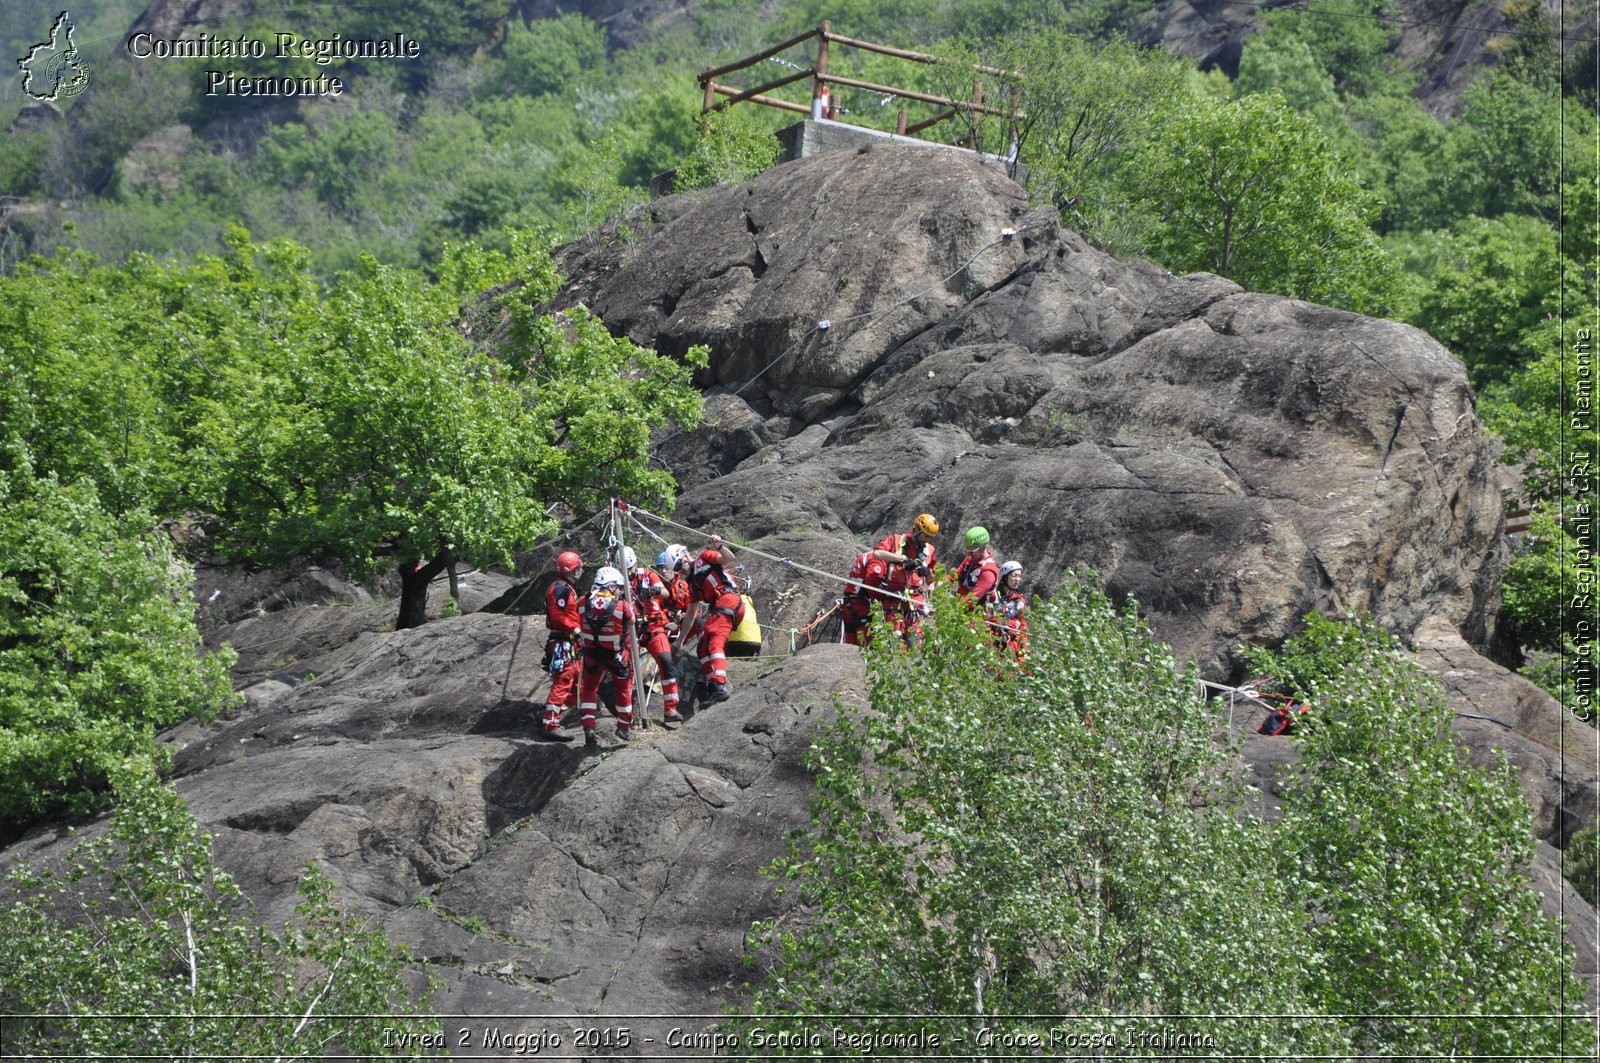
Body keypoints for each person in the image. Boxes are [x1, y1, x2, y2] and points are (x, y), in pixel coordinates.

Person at [577, 566, 637, 746]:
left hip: (592, 655)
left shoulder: (581, 602)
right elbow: (632, 621)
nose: (620, 591)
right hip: (616, 657)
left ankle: (588, 725)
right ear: (610, 587)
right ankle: (624, 727)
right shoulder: (622, 606)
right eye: (618, 587)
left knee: (588, 689)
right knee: (624, 688)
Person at [625, 547, 682, 723]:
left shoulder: (648, 575)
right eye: (624, 570)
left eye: (630, 569)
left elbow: (664, 592)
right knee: (627, 668)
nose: (627, 573)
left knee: (666, 660)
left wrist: (652, 591)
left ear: (635, 564)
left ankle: (670, 709)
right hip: (631, 627)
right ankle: (627, 715)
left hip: (653, 625)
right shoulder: (618, 579)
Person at [688, 534, 743, 704]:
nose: (680, 572)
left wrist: (719, 546)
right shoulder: (692, 584)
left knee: (714, 643)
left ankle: (719, 685)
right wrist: (679, 641)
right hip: (720, 606)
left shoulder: (703, 558)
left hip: (727, 600)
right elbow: (690, 615)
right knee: (702, 647)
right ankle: (713, 684)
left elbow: (729, 558)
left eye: (679, 566)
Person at [537, 550, 585, 742]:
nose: (581, 571)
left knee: (576, 684)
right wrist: (576, 631)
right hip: (563, 642)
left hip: (570, 642)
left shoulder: (565, 588)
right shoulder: (560, 589)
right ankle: (550, 724)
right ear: (572, 569)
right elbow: (558, 617)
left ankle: (550, 716)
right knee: (564, 681)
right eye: (579, 568)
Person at [872, 513, 939, 640]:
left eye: (931, 537)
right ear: (917, 530)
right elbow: (877, 553)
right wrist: (902, 559)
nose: (928, 540)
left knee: (915, 642)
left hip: (915, 601)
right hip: (894, 599)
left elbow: (932, 581)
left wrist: (927, 572)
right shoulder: (896, 540)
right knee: (893, 640)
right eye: (926, 536)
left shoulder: (930, 550)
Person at [840, 548, 892, 647]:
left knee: (850, 644)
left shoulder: (863, 556)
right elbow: (871, 580)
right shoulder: (876, 559)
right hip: (862, 605)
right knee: (864, 644)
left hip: (849, 602)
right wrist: (878, 600)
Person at [951, 526, 1001, 608]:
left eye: (971, 552)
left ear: (983, 547)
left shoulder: (989, 572)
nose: (968, 554)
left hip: (976, 615)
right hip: (960, 603)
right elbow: (953, 576)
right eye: (967, 551)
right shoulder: (971, 559)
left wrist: (953, 608)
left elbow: (972, 599)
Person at [992, 560, 1028, 660]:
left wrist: (1023, 648)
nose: (1018, 579)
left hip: (1011, 643)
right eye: (1014, 576)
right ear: (1005, 576)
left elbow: (1023, 626)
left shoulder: (1020, 600)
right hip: (992, 640)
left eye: (1019, 576)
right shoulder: (993, 594)